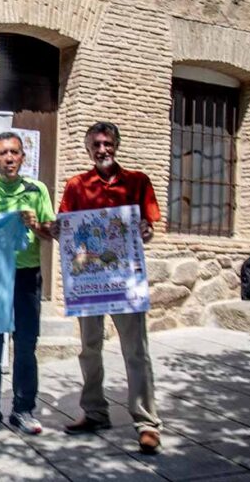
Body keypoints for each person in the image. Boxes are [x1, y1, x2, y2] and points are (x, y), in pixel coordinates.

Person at [55, 121, 163, 454]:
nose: (102, 150)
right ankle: (95, 412)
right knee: (89, 348)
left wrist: (146, 231)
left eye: (107, 144)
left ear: (116, 145)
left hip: (125, 282)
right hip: (89, 284)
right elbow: (64, 227)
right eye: (96, 145)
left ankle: (146, 422)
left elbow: (149, 226)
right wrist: (52, 228)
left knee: (136, 351)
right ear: (88, 150)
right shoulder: (76, 185)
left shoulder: (138, 181)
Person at [0, 132, 55, 437]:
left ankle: (23, 410)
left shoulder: (36, 189)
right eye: (2, 153)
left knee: (26, 346)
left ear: (22, 157)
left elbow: (50, 233)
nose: (9, 158)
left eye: (14, 153)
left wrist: (36, 225)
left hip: (27, 276)